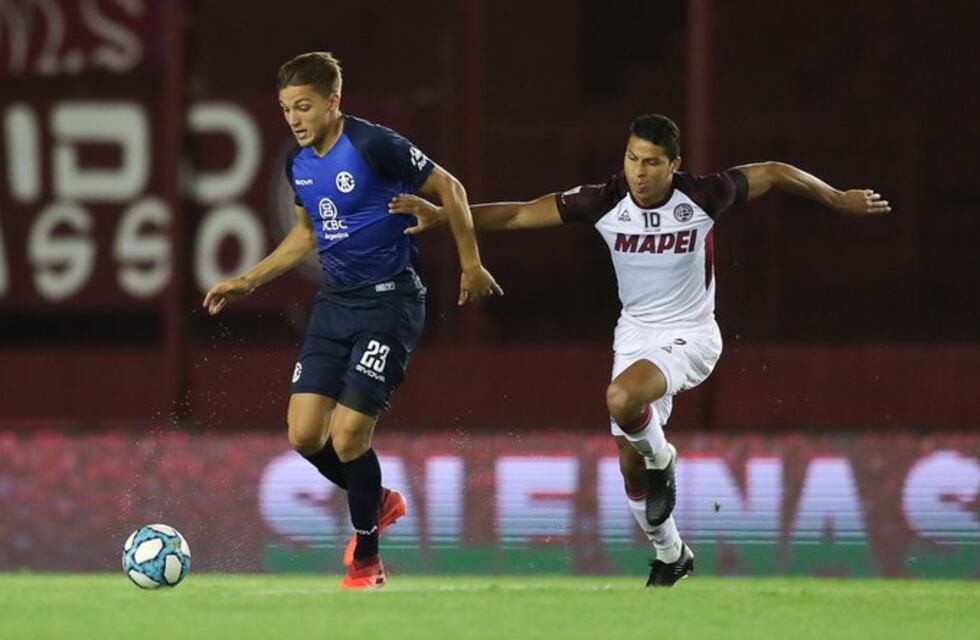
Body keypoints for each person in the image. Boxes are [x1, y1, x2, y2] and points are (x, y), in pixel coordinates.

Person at [389, 113, 890, 587]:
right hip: (633, 336)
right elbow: (520, 213)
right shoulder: (605, 200)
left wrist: (836, 198)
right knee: (628, 463)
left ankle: (664, 458)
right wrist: (443, 217)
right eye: (632, 158)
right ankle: (672, 555)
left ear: (674, 164)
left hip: (691, 334)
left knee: (622, 400)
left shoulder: (704, 196)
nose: (639, 171)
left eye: (651, 161)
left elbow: (775, 172)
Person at [203, 51, 502, 590]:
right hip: (335, 305)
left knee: (347, 437)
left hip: (390, 302)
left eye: (303, 107)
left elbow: (451, 189)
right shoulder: (298, 164)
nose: (293, 119)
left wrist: (471, 263)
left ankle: (368, 560)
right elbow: (308, 234)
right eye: (285, 109)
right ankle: (379, 498)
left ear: (333, 102)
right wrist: (248, 281)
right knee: (303, 434)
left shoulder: (373, 144)